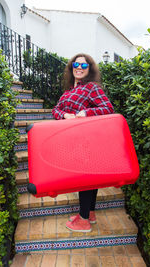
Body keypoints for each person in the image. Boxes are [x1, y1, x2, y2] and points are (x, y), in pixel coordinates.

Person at [52, 53, 114, 232]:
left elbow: (108, 108)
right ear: (71, 68)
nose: (79, 68)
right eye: (76, 65)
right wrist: (64, 115)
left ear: (90, 69)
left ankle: (83, 220)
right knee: (89, 178)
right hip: (74, 140)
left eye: (84, 65)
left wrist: (85, 113)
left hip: (89, 141)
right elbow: (56, 109)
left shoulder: (92, 88)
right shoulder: (68, 91)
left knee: (85, 178)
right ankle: (90, 213)